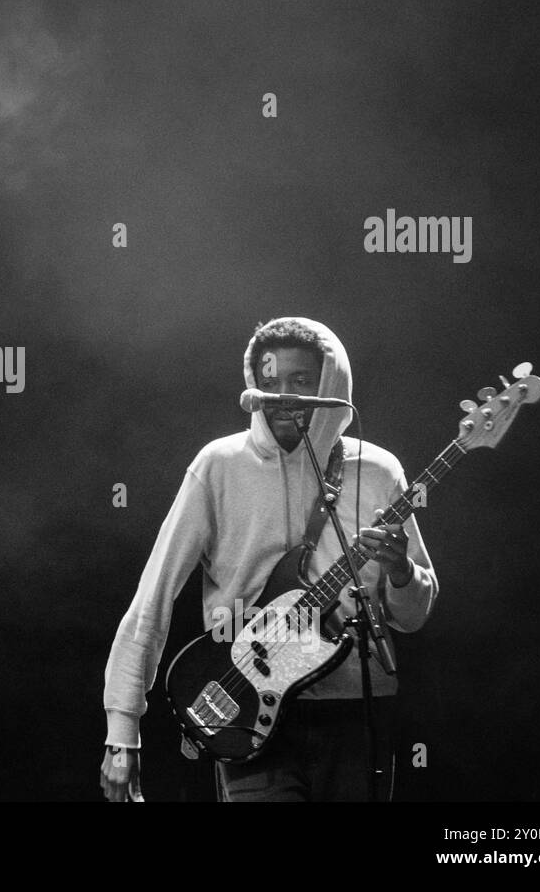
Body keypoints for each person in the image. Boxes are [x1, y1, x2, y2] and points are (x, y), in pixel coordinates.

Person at [100, 317, 437, 802]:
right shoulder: (219, 465)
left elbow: (412, 618)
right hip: (242, 704)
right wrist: (122, 726)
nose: (283, 395)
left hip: (355, 713)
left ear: (331, 384)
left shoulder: (379, 471)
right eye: (270, 381)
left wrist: (402, 572)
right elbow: (153, 596)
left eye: (301, 381)